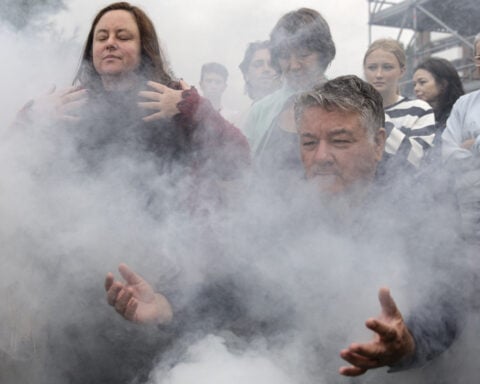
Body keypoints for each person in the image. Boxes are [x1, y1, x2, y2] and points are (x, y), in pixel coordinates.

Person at [106, 75, 464, 380]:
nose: (321, 156)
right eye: (309, 142)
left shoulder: (420, 201)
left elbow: (448, 304)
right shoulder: (289, 208)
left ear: (378, 143)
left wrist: (409, 342)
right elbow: (235, 285)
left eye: (340, 140)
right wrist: (168, 306)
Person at [15, 3, 249, 182]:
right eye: (101, 37)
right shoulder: (72, 104)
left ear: (143, 49)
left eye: (123, 36)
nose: (110, 43)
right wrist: (33, 117)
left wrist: (192, 109)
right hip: (83, 236)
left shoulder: (173, 100)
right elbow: (15, 167)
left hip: (166, 240)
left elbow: (237, 163)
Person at [242, 8, 335, 156]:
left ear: (323, 54)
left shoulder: (347, 106)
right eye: (285, 56)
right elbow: (245, 169)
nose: (294, 66)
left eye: (303, 55)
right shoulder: (260, 111)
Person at [363, 38, 437, 169]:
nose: (378, 74)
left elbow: (419, 158)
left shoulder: (419, 109)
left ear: (402, 71)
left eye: (387, 67)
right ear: (365, 70)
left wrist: (376, 115)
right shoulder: (353, 111)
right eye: (372, 67)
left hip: (402, 188)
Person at [442, 33, 480, 244]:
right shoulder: (464, 105)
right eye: (479, 58)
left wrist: (473, 145)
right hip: (469, 219)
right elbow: (448, 155)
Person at [413, 57, 465, 149]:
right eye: (415, 84)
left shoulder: (462, 113)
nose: (416, 89)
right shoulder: (417, 118)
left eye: (422, 82)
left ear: (443, 84)